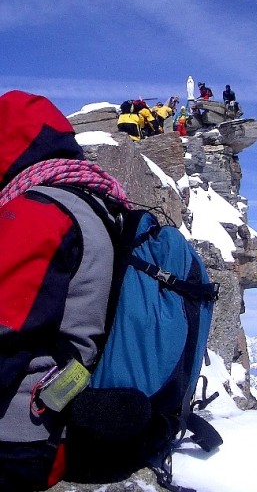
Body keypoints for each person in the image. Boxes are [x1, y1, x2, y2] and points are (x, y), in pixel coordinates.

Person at [0, 90, 130, 491]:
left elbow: (5, 328)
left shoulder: (39, 210)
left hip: (13, 438)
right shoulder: (96, 203)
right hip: (53, 426)